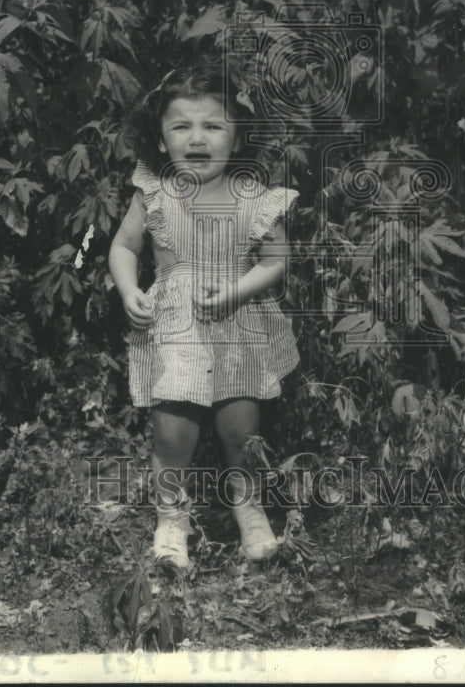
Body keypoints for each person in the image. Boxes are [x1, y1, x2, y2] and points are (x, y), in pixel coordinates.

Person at [108, 58, 299, 569]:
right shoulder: (153, 193)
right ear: (162, 137)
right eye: (182, 126)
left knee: (242, 430)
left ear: (236, 139)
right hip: (176, 328)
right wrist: (130, 291)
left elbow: (277, 260)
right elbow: (123, 248)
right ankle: (172, 518)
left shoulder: (253, 197)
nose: (198, 138)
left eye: (213, 126)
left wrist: (239, 291)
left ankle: (248, 507)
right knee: (173, 433)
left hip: (239, 329)